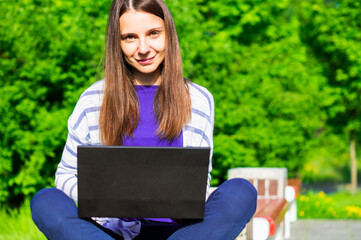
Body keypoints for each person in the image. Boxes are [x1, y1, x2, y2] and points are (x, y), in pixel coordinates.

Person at [30, 0, 257, 239]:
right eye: (129, 37)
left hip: (179, 232)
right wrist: (110, 200)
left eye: (153, 33)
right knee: (45, 201)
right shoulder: (93, 99)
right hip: (110, 231)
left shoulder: (198, 99)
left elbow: (199, 179)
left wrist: (182, 203)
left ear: (169, 35)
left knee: (242, 192)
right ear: (116, 43)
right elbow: (65, 175)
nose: (143, 48)